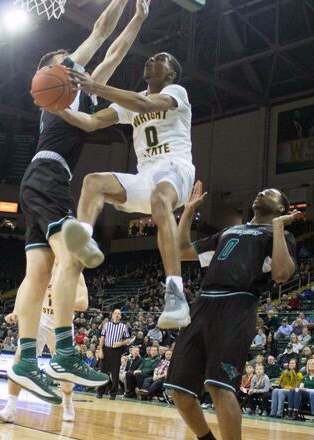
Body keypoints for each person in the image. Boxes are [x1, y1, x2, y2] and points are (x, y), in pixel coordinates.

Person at [6, 0, 144, 404]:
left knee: (39, 273)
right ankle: (64, 353)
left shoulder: (81, 90)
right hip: (48, 177)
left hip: (42, 181)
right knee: (70, 260)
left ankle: (27, 360)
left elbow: (114, 52)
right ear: (54, 67)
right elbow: (100, 31)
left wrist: (138, 17)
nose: (74, 61)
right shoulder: (55, 77)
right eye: (67, 59)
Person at [58, 46, 195, 331]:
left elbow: (143, 106)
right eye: (150, 56)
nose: (150, 59)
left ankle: (176, 294)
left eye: (159, 58)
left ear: (170, 73)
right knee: (93, 182)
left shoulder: (177, 92)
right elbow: (93, 122)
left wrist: (96, 86)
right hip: (145, 176)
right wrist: (57, 107)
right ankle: (84, 239)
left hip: (176, 170)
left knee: (160, 198)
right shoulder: (129, 102)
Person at [164, 182, 299, 440]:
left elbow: (282, 274)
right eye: (261, 191)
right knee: (178, 390)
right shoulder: (229, 231)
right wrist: (189, 211)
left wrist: (279, 227)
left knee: (219, 386)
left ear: (281, 207)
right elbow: (181, 251)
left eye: (269, 193)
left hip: (237, 305)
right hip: (203, 304)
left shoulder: (278, 236)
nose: (261, 193)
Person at [0, 270, 88, 423]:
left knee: (64, 369)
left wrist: (61, 298)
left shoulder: (74, 272)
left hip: (61, 323)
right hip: (39, 319)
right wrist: (16, 311)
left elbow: (83, 303)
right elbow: (24, 288)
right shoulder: (42, 265)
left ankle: (68, 402)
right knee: (20, 358)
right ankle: (10, 408)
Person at [97, 309, 133, 400]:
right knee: (103, 372)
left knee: (115, 373)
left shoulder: (123, 326)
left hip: (116, 351)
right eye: (116, 313)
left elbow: (128, 340)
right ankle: (100, 391)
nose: (117, 315)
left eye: (119, 314)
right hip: (106, 349)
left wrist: (121, 343)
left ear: (120, 316)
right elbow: (102, 338)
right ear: (112, 315)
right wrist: (100, 350)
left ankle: (113, 393)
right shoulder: (106, 325)